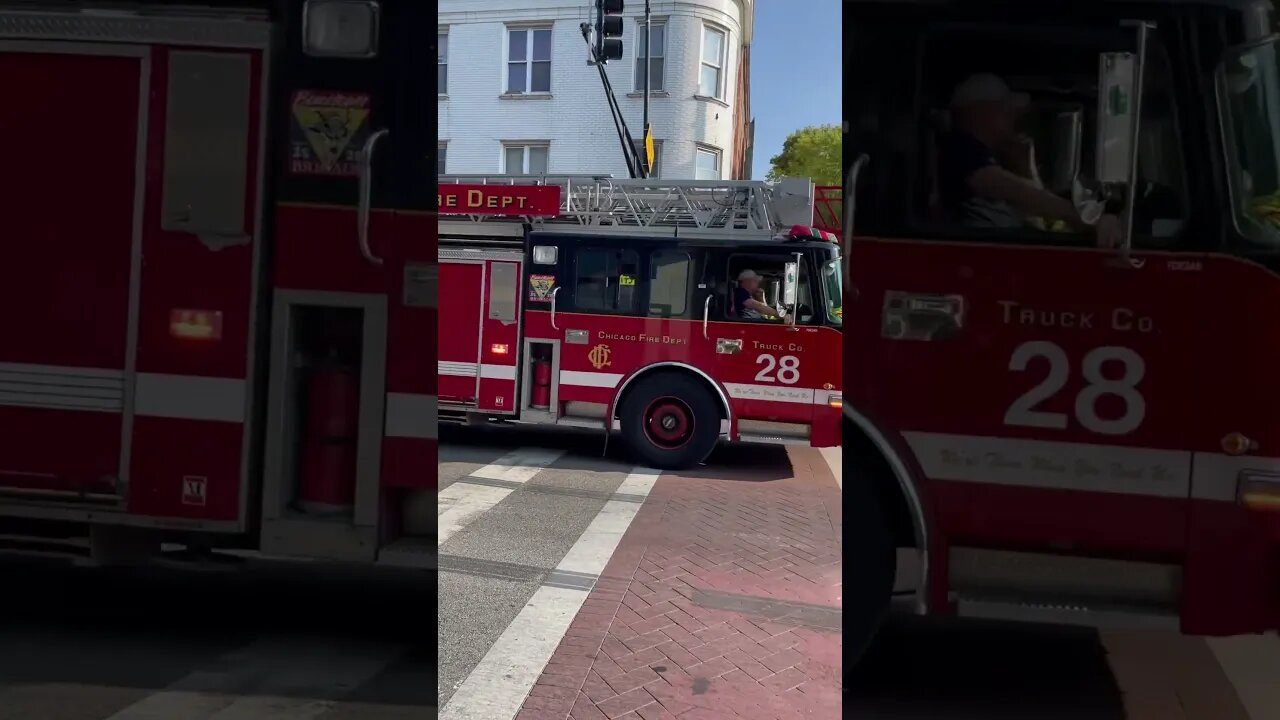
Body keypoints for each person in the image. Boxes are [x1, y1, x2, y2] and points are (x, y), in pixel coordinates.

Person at [938, 73, 1123, 247]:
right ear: (981, 112)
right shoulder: (960, 149)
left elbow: (1037, 217)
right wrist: (1086, 219)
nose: (1014, 119)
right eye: (1007, 111)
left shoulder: (993, 157)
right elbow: (1017, 192)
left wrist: (1026, 167)